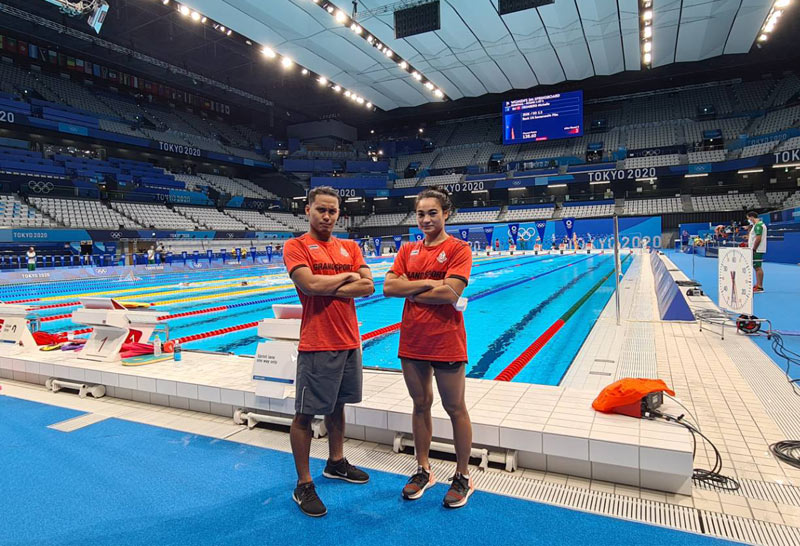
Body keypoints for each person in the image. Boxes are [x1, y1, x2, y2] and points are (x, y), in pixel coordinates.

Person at [283, 186, 375, 518]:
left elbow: (368, 286)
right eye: (320, 209)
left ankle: (335, 462)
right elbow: (309, 285)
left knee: (338, 406)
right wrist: (348, 276)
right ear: (307, 210)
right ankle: (304, 483)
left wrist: (329, 283)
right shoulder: (296, 246)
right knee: (304, 415)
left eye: (332, 211)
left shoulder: (350, 246)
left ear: (339, 214)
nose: (326, 216)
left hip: (349, 341)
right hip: (317, 342)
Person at [383, 187, 475, 509]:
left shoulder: (459, 249)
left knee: (455, 407)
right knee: (420, 404)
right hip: (413, 340)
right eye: (420, 214)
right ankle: (423, 469)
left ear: (445, 213)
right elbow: (388, 287)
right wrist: (428, 284)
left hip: (447, 340)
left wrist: (410, 289)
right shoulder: (407, 249)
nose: (425, 219)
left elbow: (451, 292)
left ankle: (463, 475)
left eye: (432, 213)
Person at [746, 211, 767, 293]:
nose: (748, 220)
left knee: (758, 267)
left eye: (748, 218)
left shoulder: (758, 225)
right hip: (756, 249)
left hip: (757, 250)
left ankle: (760, 287)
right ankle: (758, 284)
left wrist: (754, 249)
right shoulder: (756, 225)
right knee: (756, 267)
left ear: (752, 217)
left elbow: (758, 238)